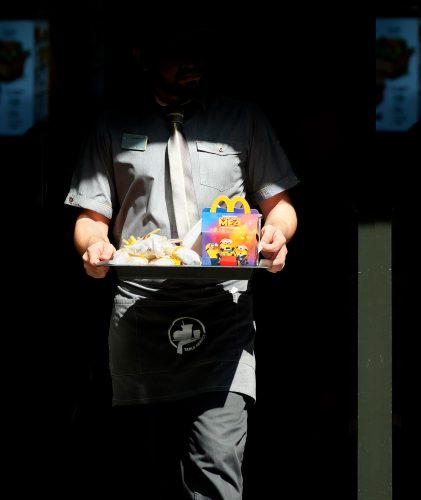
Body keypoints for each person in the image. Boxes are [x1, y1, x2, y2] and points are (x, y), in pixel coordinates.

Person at [64, 24, 299, 499]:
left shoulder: (243, 120)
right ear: (143, 56)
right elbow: (91, 218)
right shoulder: (113, 125)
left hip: (223, 317)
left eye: (201, 49)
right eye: (178, 50)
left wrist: (277, 234)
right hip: (140, 315)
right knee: (139, 471)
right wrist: (93, 248)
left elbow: (280, 205)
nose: (194, 61)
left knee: (217, 467)